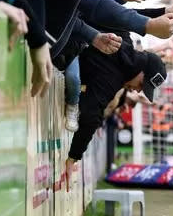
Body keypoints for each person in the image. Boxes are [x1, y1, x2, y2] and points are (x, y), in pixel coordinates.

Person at [66, 38, 167, 166]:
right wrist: (73, 157)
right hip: (65, 51)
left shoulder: (125, 50)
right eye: (142, 84)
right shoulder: (114, 77)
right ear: (141, 70)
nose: (137, 90)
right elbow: (91, 117)